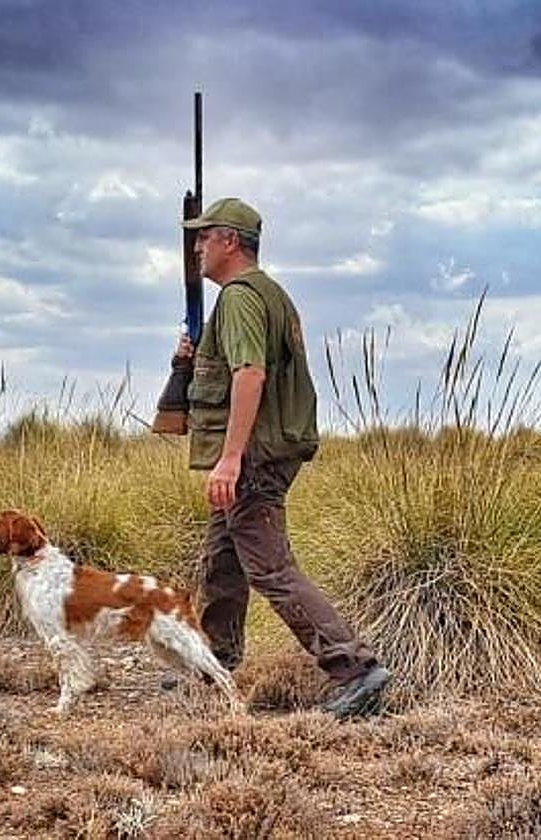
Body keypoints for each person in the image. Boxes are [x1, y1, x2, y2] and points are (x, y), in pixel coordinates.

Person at [172, 197, 391, 720]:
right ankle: (216, 665)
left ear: (230, 240)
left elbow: (251, 374)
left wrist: (230, 459)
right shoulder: (268, 295)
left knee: (270, 568)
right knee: (222, 562)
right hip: (263, 448)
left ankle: (355, 668)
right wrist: (195, 355)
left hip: (253, 455)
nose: (197, 246)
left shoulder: (243, 298)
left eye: (205, 236)